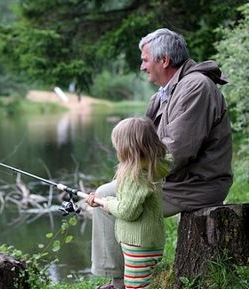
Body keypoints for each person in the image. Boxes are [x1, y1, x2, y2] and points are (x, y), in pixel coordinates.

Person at [87, 28, 233, 289]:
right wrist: (127, 175)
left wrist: (131, 179)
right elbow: (142, 145)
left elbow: (177, 151)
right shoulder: (165, 92)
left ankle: (119, 283)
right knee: (108, 192)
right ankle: (118, 278)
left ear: (163, 60)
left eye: (145, 60)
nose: (142, 67)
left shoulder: (196, 86)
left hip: (196, 185)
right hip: (173, 179)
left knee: (110, 198)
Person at [87, 117, 171, 289]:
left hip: (138, 244)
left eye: (117, 145)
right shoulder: (151, 166)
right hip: (146, 241)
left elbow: (128, 211)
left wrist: (106, 202)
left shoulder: (137, 175)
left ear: (127, 148)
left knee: (135, 285)